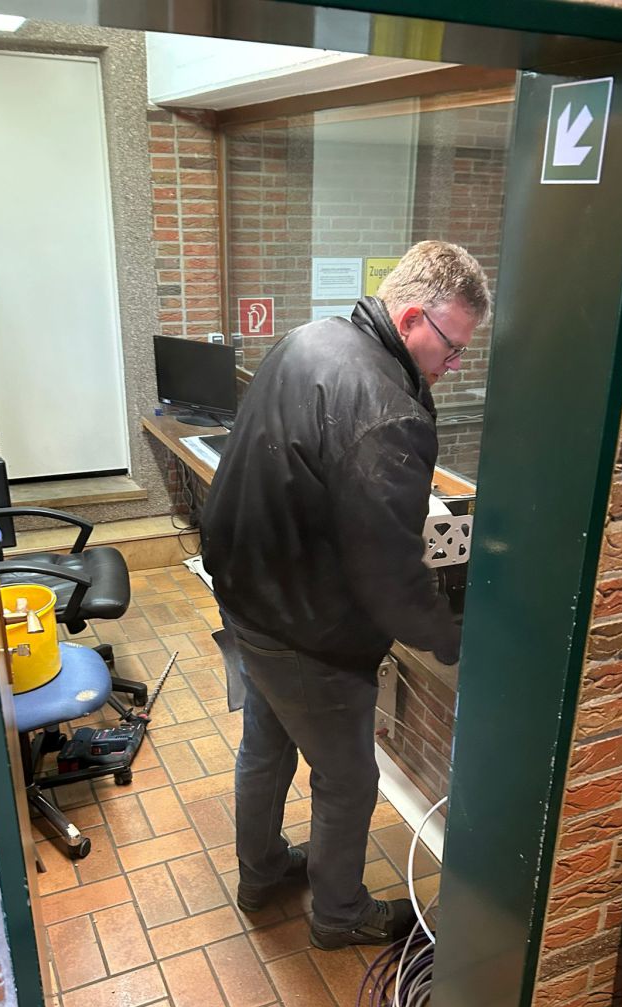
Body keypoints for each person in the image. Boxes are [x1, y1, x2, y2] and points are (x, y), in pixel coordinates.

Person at [201, 241, 490, 950]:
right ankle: (338, 914)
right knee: (349, 778)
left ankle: (261, 873)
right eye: (452, 348)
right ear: (413, 318)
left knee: (266, 746)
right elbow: (387, 567)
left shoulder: (309, 338)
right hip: (308, 626)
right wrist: (449, 638)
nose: (453, 367)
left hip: (247, 592)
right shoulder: (389, 410)